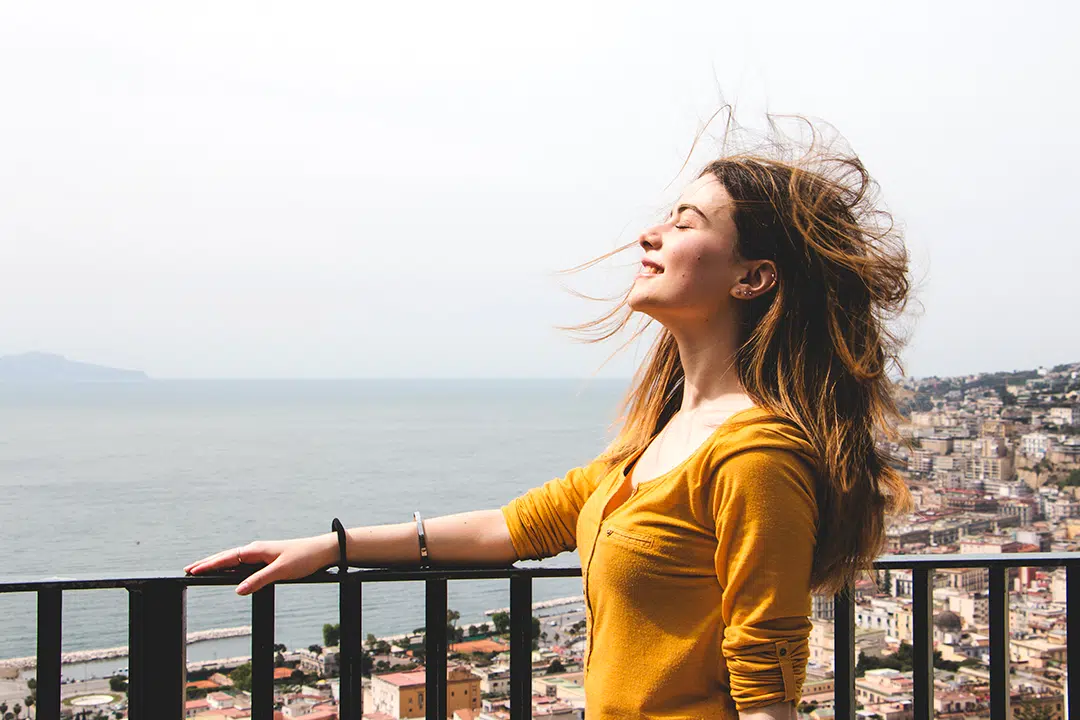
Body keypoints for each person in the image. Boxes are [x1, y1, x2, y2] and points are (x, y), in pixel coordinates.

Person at [186, 120, 912, 719]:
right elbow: (511, 528)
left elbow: (767, 696)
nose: (649, 235)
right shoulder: (659, 444)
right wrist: (331, 546)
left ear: (752, 277)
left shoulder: (756, 457)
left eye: (684, 223)